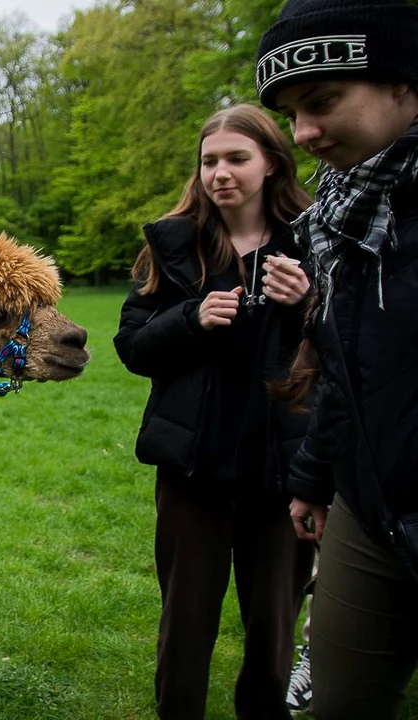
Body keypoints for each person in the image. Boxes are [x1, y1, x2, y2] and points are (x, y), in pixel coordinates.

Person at [113, 104, 316, 719]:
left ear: (272, 164)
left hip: (281, 474)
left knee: (274, 629)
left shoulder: (311, 242)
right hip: (193, 471)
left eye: (236, 159)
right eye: (209, 161)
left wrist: (308, 303)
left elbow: (350, 347)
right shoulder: (174, 245)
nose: (220, 173)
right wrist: (190, 318)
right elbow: (131, 345)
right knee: (185, 624)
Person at [256, 0, 418, 716]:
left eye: (322, 102)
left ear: (404, 83)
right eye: (291, 113)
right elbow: (342, 362)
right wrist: (316, 477)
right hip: (366, 499)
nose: (304, 133)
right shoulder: (335, 220)